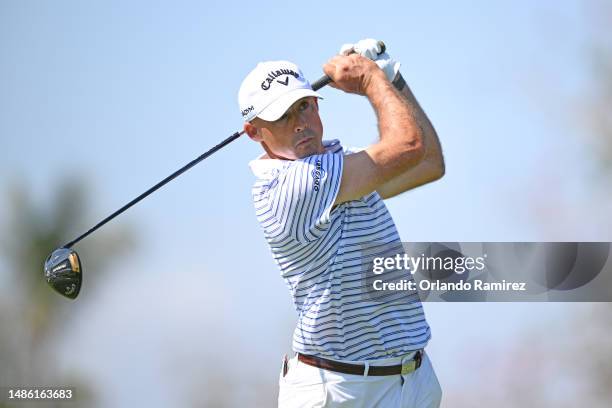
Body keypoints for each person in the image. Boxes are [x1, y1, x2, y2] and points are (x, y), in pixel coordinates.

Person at [238, 39, 445, 407]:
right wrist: (370, 80)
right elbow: (408, 145)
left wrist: (392, 80)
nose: (299, 124)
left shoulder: (340, 168)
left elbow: (427, 162)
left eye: (304, 107)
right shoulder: (291, 186)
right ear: (254, 132)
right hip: (338, 391)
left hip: (409, 382)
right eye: (282, 116)